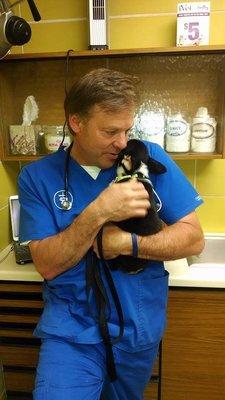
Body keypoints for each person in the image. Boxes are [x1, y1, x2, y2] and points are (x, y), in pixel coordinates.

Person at [18, 68, 204, 400]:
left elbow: (193, 238)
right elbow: (46, 264)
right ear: (77, 123)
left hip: (137, 328)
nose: (122, 143)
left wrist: (127, 242)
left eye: (126, 130)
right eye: (109, 131)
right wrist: (100, 210)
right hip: (71, 334)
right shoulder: (37, 177)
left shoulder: (147, 159)